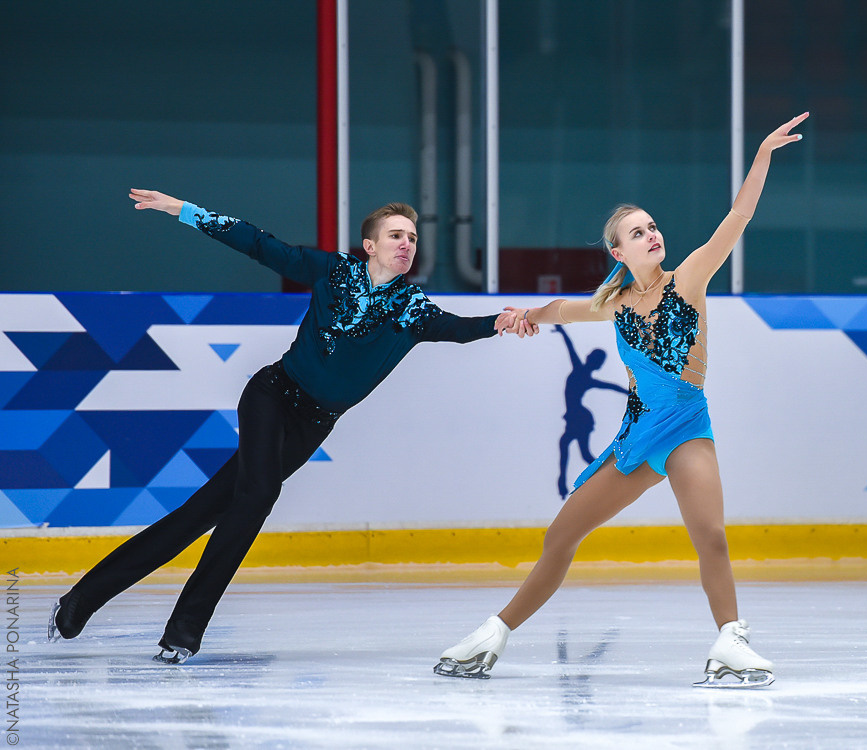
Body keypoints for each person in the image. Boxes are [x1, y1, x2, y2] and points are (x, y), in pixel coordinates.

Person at [47, 189, 519, 664]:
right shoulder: (336, 271)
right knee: (257, 496)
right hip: (272, 396)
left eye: (413, 237)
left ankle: (79, 603)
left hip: (312, 425)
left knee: (199, 515)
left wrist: (503, 321)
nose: (406, 243)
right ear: (369, 245)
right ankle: (184, 631)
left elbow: (460, 328)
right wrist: (184, 211)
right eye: (395, 235)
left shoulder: (412, 308)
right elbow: (260, 244)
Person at [435, 112, 809, 688]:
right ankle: (494, 633)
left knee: (710, 534)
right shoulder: (615, 303)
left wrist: (760, 156)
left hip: (686, 425)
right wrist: (523, 317)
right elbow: (561, 310)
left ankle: (731, 639)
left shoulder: (689, 279)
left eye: (652, 226)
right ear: (617, 252)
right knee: (560, 537)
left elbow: (737, 217)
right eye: (637, 233)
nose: (652, 234)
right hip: (636, 436)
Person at [553, 325, 628, 499]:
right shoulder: (585, 376)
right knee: (573, 449)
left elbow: (570, 347)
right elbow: (611, 386)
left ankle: (611, 476)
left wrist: (562, 331)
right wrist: (562, 331)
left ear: (591, 360)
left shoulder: (581, 372)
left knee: (579, 451)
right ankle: (565, 482)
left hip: (580, 418)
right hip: (577, 417)